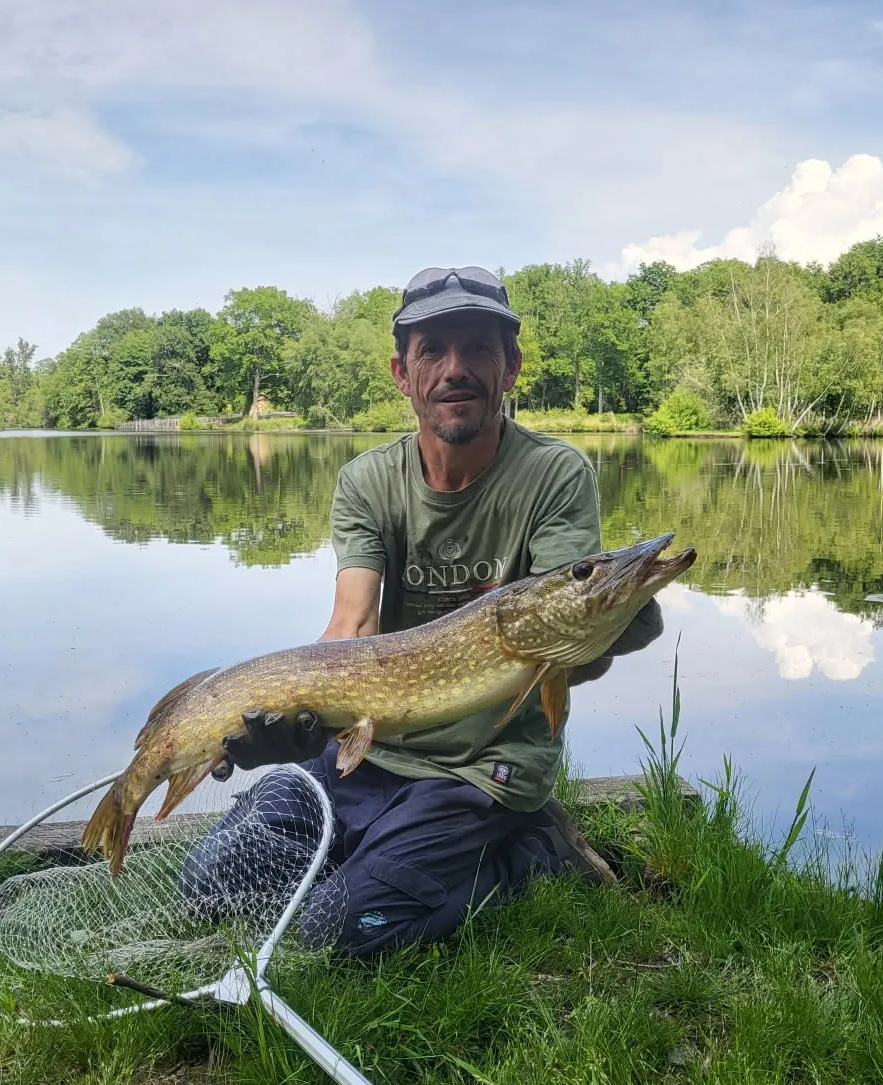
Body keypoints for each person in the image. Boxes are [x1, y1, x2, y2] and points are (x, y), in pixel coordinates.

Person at [181, 266, 666, 955]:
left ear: (511, 368)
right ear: (402, 374)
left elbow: (569, 617)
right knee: (210, 886)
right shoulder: (368, 480)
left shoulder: (555, 475)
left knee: (337, 932)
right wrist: (297, 722)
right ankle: (384, 849)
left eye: (478, 349)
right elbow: (351, 628)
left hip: (482, 767)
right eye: (432, 350)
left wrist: (612, 622)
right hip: (373, 749)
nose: (455, 369)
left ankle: (526, 851)